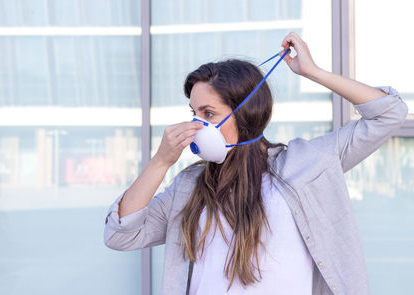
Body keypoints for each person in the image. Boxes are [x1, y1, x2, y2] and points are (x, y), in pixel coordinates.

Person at [103, 32, 409, 295]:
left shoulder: (307, 164)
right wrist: (160, 162)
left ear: (245, 112)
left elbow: (389, 113)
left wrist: (313, 72)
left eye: (208, 114)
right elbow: (121, 234)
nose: (197, 124)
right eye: (193, 113)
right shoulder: (189, 186)